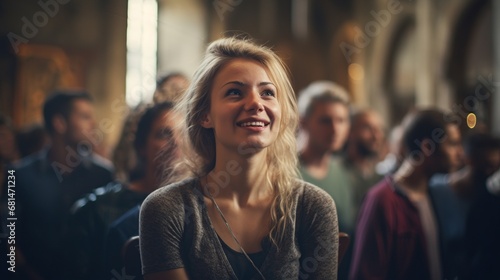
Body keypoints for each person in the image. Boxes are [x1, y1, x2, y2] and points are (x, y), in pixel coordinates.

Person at [140, 37, 339, 280]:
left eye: (267, 92)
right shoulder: (167, 209)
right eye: (235, 92)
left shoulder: (313, 207)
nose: (256, 103)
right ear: (205, 115)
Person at [65, 102, 181, 279]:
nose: (176, 142)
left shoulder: (201, 205)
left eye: (184, 133)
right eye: (164, 133)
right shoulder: (95, 211)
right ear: (142, 146)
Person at [350, 108, 463, 280]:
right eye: (452, 144)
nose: (460, 153)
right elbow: (366, 274)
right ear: (427, 147)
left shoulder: (435, 194)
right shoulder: (382, 200)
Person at [13, 90, 114, 280]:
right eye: (85, 117)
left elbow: (108, 237)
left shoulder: (103, 174)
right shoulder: (19, 175)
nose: (93, 124)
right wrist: (19, 273)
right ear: (59, 123)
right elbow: (8, 237)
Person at [430, 132, 500, 279]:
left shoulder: (491, 200)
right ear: (468, 159)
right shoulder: (436, 189)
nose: (490, 173)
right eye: (485, 165)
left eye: (495, 167)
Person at [297, 81, 354, 234]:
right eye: (325, 121)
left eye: (341, 120)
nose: (335, 129)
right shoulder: (285, 171)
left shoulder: (341, 170)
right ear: (303, 122)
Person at [344, 109, 386, 221]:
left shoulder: (380, 177)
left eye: (379, 129)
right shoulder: (338, 172)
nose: (376, 135)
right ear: (350, 131)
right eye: (367, 128)